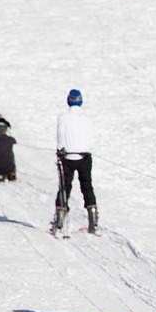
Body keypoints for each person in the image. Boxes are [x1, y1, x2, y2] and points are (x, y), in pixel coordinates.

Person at [53, 89, 97, 236]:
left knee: (65, 187)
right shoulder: (87, 119)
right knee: (87, 186)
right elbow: (90, 139)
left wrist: (60, 150)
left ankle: (59, 221)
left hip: (68, 157)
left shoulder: (63, 118)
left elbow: (60, 137)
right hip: (84, 156)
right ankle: (93, 221)